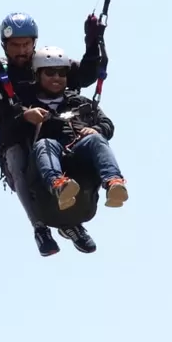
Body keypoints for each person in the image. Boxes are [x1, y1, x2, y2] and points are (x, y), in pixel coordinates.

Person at [0, 12, 104, 256]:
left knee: (81, 147)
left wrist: (92, 42)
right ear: (4, 46)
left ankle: (71, 222)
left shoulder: (46, 64)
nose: (21, 51)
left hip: (56, 138)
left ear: (34, 43)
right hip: (16, 141)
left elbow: (85, 75)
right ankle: (40, 227)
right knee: (16, 155)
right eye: (15, 46)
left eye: (26, 45)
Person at [16, 45, 129, 229]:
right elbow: (11, 127)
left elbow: (107, 125)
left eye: (61, 73)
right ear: (38, 75)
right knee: (46, 143)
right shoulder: (27, 104)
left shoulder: (80, 103)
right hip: (46, 163)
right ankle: (59, 186)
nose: (57, 78)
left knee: (96, 139)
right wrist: (26, 117)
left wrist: (96, 129)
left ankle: (114, 182)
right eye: (50, 73)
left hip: (78, 157)